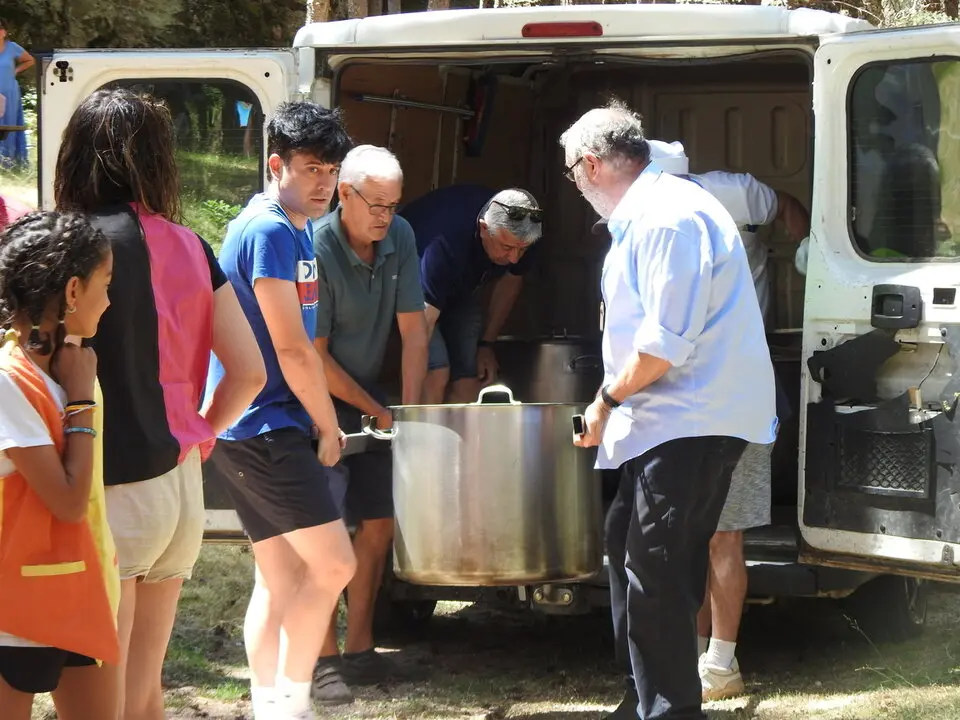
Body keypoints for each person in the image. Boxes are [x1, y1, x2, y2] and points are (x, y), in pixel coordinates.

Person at [54, 87, 267, 720]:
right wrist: (199, 436)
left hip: (109, 481)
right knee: (144, 697)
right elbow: (249, 373)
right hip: (178, 488)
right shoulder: (193, 245)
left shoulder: (75, 243)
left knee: (96, 701)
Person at [562, 101, 777, 720]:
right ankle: (645, 699)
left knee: (657, 569)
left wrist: (605, 401)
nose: (576, 187)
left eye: (574, 172)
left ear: (595, 164)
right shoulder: (657, 210)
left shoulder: (665, 218)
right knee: (634, 550)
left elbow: (664, 342)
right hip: (675, 421)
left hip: (691, 418)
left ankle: (668, 710)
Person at [205, 101, 356, 720]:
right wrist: (329, 425)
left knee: (280, 575)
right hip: (266, 425)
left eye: (332, 170)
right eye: (312, 168)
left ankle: (270, 705)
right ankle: (291, 703)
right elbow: (292, 349)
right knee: (335, 564)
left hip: (258, 425)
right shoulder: (267, 229)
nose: (324, 183)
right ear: (276, 164)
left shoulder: (291, 225)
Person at [646, 138, 808, 700]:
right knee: (698, 536)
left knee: (720, 534)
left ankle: (719, 665)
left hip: (736, 393)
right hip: (696, 397)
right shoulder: (649, 228)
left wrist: (808, 247)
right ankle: (697, 662)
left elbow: (784, 203)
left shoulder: (730, 195)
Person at [0, 211, 119, 719]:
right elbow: (69, 501)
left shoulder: (67, 369)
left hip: (79, 595)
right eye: (105, 284)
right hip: (13, 614)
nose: (109, 301)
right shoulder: (10, 379)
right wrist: (80, 404)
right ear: (73, 291)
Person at [399, 184, 542, 404]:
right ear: (484, 229)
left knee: (471, 379)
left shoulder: (524, 233)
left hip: (460, 288)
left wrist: (486, 344)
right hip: (406, 280)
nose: (514, 257)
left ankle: (461, 437)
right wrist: (407, 408)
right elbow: (421, 330)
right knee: (437, 372)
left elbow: (511, 280)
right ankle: (420, 434)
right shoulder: (442, 244)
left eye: (521, 250)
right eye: (506, 247)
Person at [0, 19, 34, 167]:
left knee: (9, 123)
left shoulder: (12, 47)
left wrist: (16, 70)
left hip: (10, 92)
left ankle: (10, 160)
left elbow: (29, 60)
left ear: (4, 32)